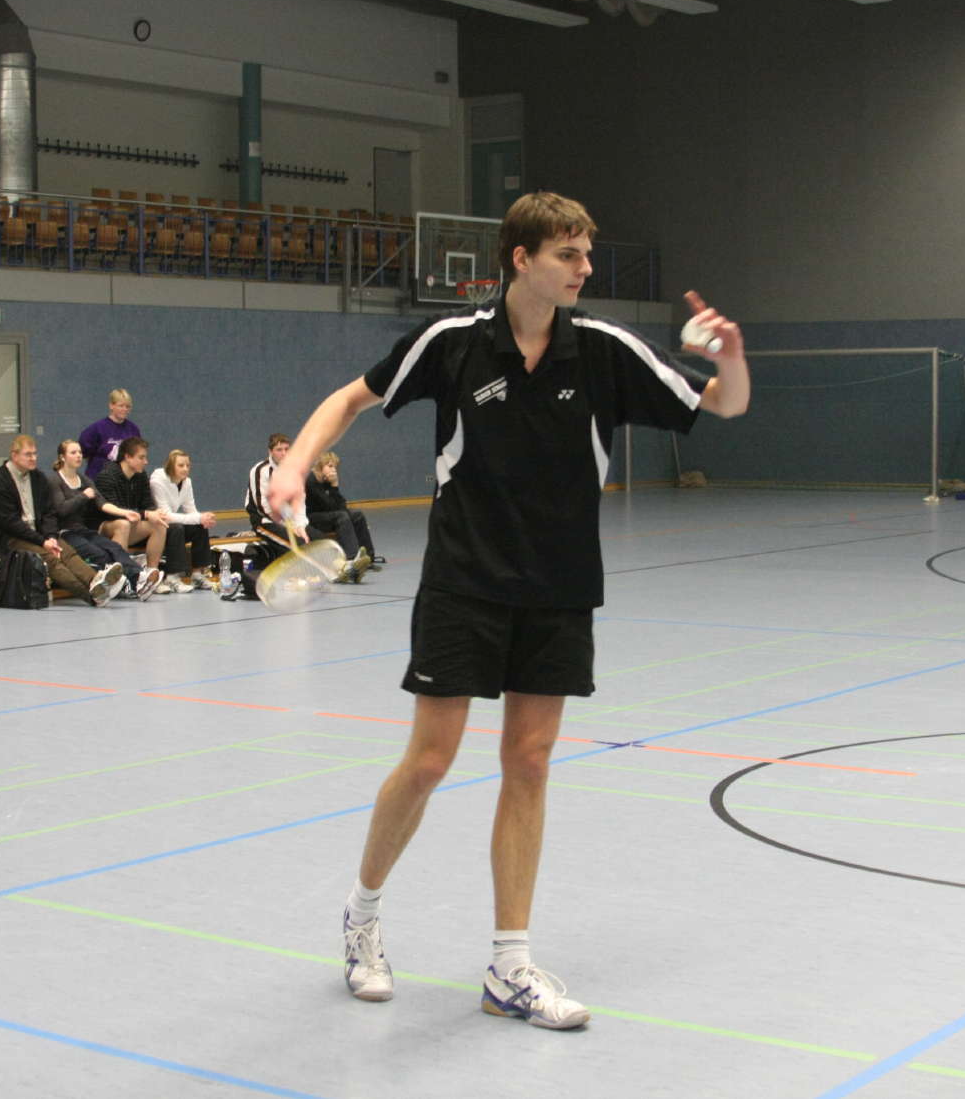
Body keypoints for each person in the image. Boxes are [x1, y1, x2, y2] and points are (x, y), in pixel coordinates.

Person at [266, 190, 751, 1030]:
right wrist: (293, 467)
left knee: (529, 761)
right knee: (430, 760)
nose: (586, 268)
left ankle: (509, 965)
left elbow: (723, 403)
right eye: (570, 254)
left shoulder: (603, 350)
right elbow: (350, 398)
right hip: (464, 579)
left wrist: (733, 358)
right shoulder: (453, 342)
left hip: (558, 586)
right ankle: (363, 913)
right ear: (521, 259)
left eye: (587, 253)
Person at [0, 434, 122, 607]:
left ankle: (96, 581)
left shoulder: (38, 478)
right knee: (50, 558)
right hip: (11, 537)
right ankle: (91, 596)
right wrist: (42, 542)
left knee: (66, 551)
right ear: (14, 455)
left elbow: (49, 512)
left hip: (38, 534)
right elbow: (10, 523)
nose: (33, 458)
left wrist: (50, 536)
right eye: (28, 454)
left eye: (35, 454)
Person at [46, 439, 142, 596]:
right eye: (73, 452)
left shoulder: (84, 479)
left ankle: (139, 577)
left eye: (80, 452)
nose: (78, 455)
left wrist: (124, 513)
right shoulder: (54, 480)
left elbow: (102, 503)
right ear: (62, 457)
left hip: (82, 530)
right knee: (98, 553)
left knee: (114, 548)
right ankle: (121, 583)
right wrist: (83, 496)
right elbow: (61, 509)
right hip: (64, 532)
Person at [92, 436, 172, 599]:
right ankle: (123, 578)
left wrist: (155, 513)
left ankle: (151, 575)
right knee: (122, 524)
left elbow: (147, 504)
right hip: (103, 527)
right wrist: (145, 514)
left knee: (159, 524)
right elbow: (112, 511)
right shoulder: (106, 476)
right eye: (141, 457)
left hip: (131, 523)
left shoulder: (140, 476)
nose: (146, 462)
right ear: (127, 457)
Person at [149, 449, 218, 592]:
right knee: (176, 528)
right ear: (170, 466)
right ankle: (172, 577)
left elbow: (191, 510)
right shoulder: (157, 481)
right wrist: (198, 517)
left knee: (200, 526)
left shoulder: (187, 482)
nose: (185, 469)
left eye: (188, 465)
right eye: (181, 465)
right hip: (156, 528)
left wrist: (204, 519)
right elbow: (165, 516)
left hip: (169, 524)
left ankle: (197, 574)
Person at [306, 450, 379, 580]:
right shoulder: (311, 481)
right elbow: (330, 505)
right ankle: (352, 559)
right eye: (330, 466)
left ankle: (368, 558)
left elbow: (341, 505)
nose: (333, 470)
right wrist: (335, 485)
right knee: (341, 517)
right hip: (312, 518)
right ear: (321, 466)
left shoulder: (326, 479)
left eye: (335, 466)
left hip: (327, 514)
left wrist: (333, 487)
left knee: (357, 515)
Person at [78, 389, 142, 480]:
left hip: (124, 479)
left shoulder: (133, 430)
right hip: (99, 479)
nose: (124, 409)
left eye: (127, 406)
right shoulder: (96, 429)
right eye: (121, 406)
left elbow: (137, 455)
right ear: (111, 405)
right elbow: (83, 451)